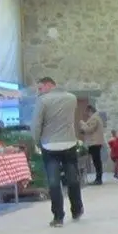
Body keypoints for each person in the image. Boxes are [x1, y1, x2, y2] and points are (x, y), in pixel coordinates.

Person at [31, 76, 83, 226]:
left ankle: (58, 217)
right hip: (69, 142)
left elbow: (36, 124)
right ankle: (77, 209)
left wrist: (36, 141)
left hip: (49, 145)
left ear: (48, 86)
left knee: (54, 182)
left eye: (40, 88)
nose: (39, 92)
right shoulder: (72, 98)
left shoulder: (43, 101)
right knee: (73, 178)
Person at [79, 104, 105, 186]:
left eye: (87, 112)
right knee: (96, 161)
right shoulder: (95, 118)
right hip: (93, 142)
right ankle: (97, 178)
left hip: (95, 142)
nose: (86, 114)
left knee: (96, 161)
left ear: (90, 111)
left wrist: (83, 124)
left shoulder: (94, 118)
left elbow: (90, 129)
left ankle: (98, 179)